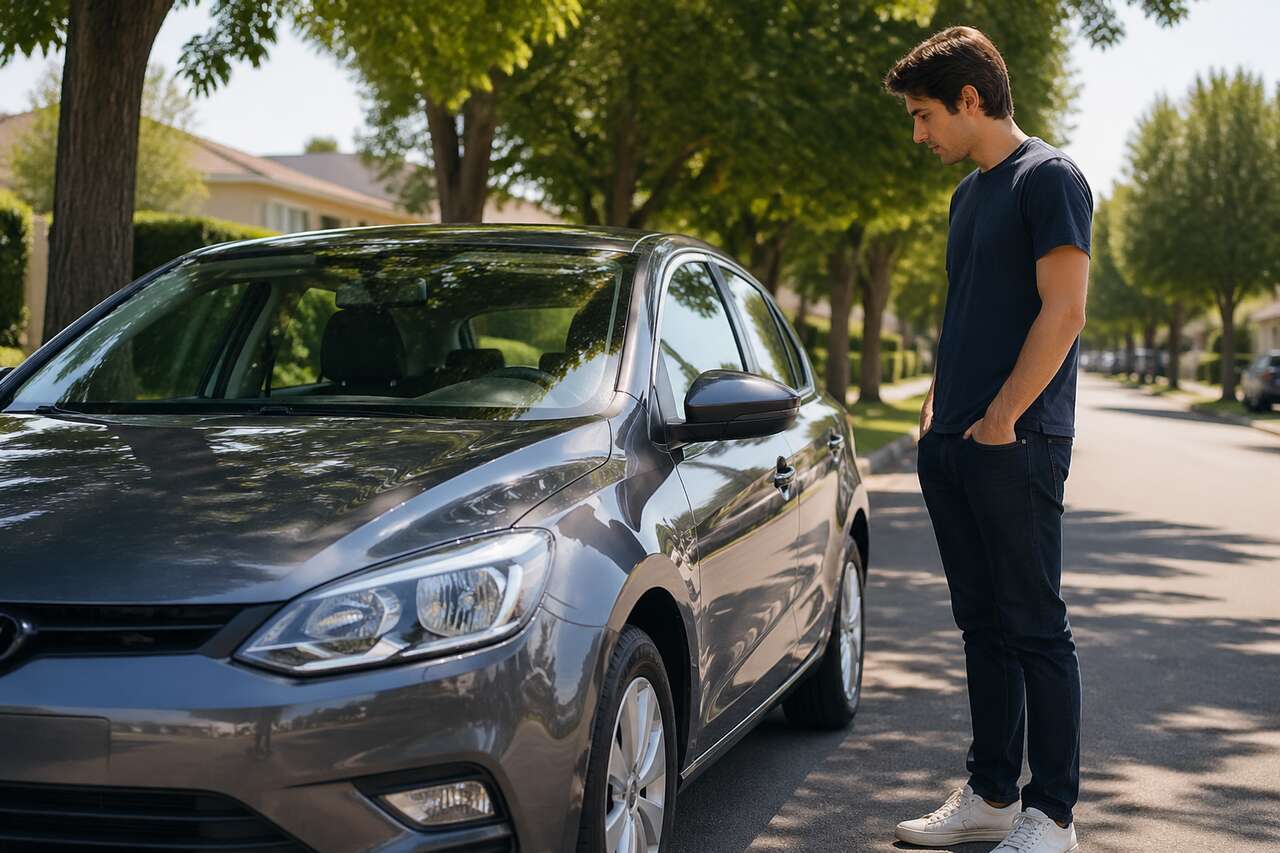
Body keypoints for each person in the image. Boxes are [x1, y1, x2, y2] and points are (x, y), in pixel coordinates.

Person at [882, 25, 1092, 853]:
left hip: (1020, 439)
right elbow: (963, 311)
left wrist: (1002, 417)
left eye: (925, 115)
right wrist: (937, 411)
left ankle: (1054, 815)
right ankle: (994, 792)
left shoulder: (1050, 179)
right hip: (952, 445)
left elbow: (1065, 312)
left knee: (1035, 624)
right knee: (981, 623)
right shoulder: (967, 196)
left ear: (971, 99)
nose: (919, 134)